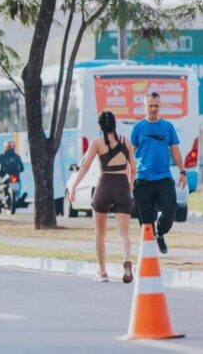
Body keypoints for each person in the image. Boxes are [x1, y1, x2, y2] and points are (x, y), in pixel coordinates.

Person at [68, 111, 136, 283]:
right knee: (124, 233)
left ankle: (103, 272)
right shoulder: (126, 142)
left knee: (100, 233)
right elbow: (133, 169)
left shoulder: (97, 142)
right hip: (122, 185)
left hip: (104, 185)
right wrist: (128, 188)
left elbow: (85, 167)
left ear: (100, 126)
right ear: (115, 124)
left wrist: (74, 186)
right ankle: (126, 258)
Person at [131, 91, 187, 254]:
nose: (154, 109)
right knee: (146, 222)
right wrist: (129, 177)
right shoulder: (138, 128)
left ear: (160, 106)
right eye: (150, 106)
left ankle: (160, 233)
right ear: (145, 106)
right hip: (143, 179)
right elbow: (130, 154)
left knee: (171, 208)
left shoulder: (168, 127)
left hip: (163, 177)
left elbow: (175, 151)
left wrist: (182, 172)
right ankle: (148, 253)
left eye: (156, 106)